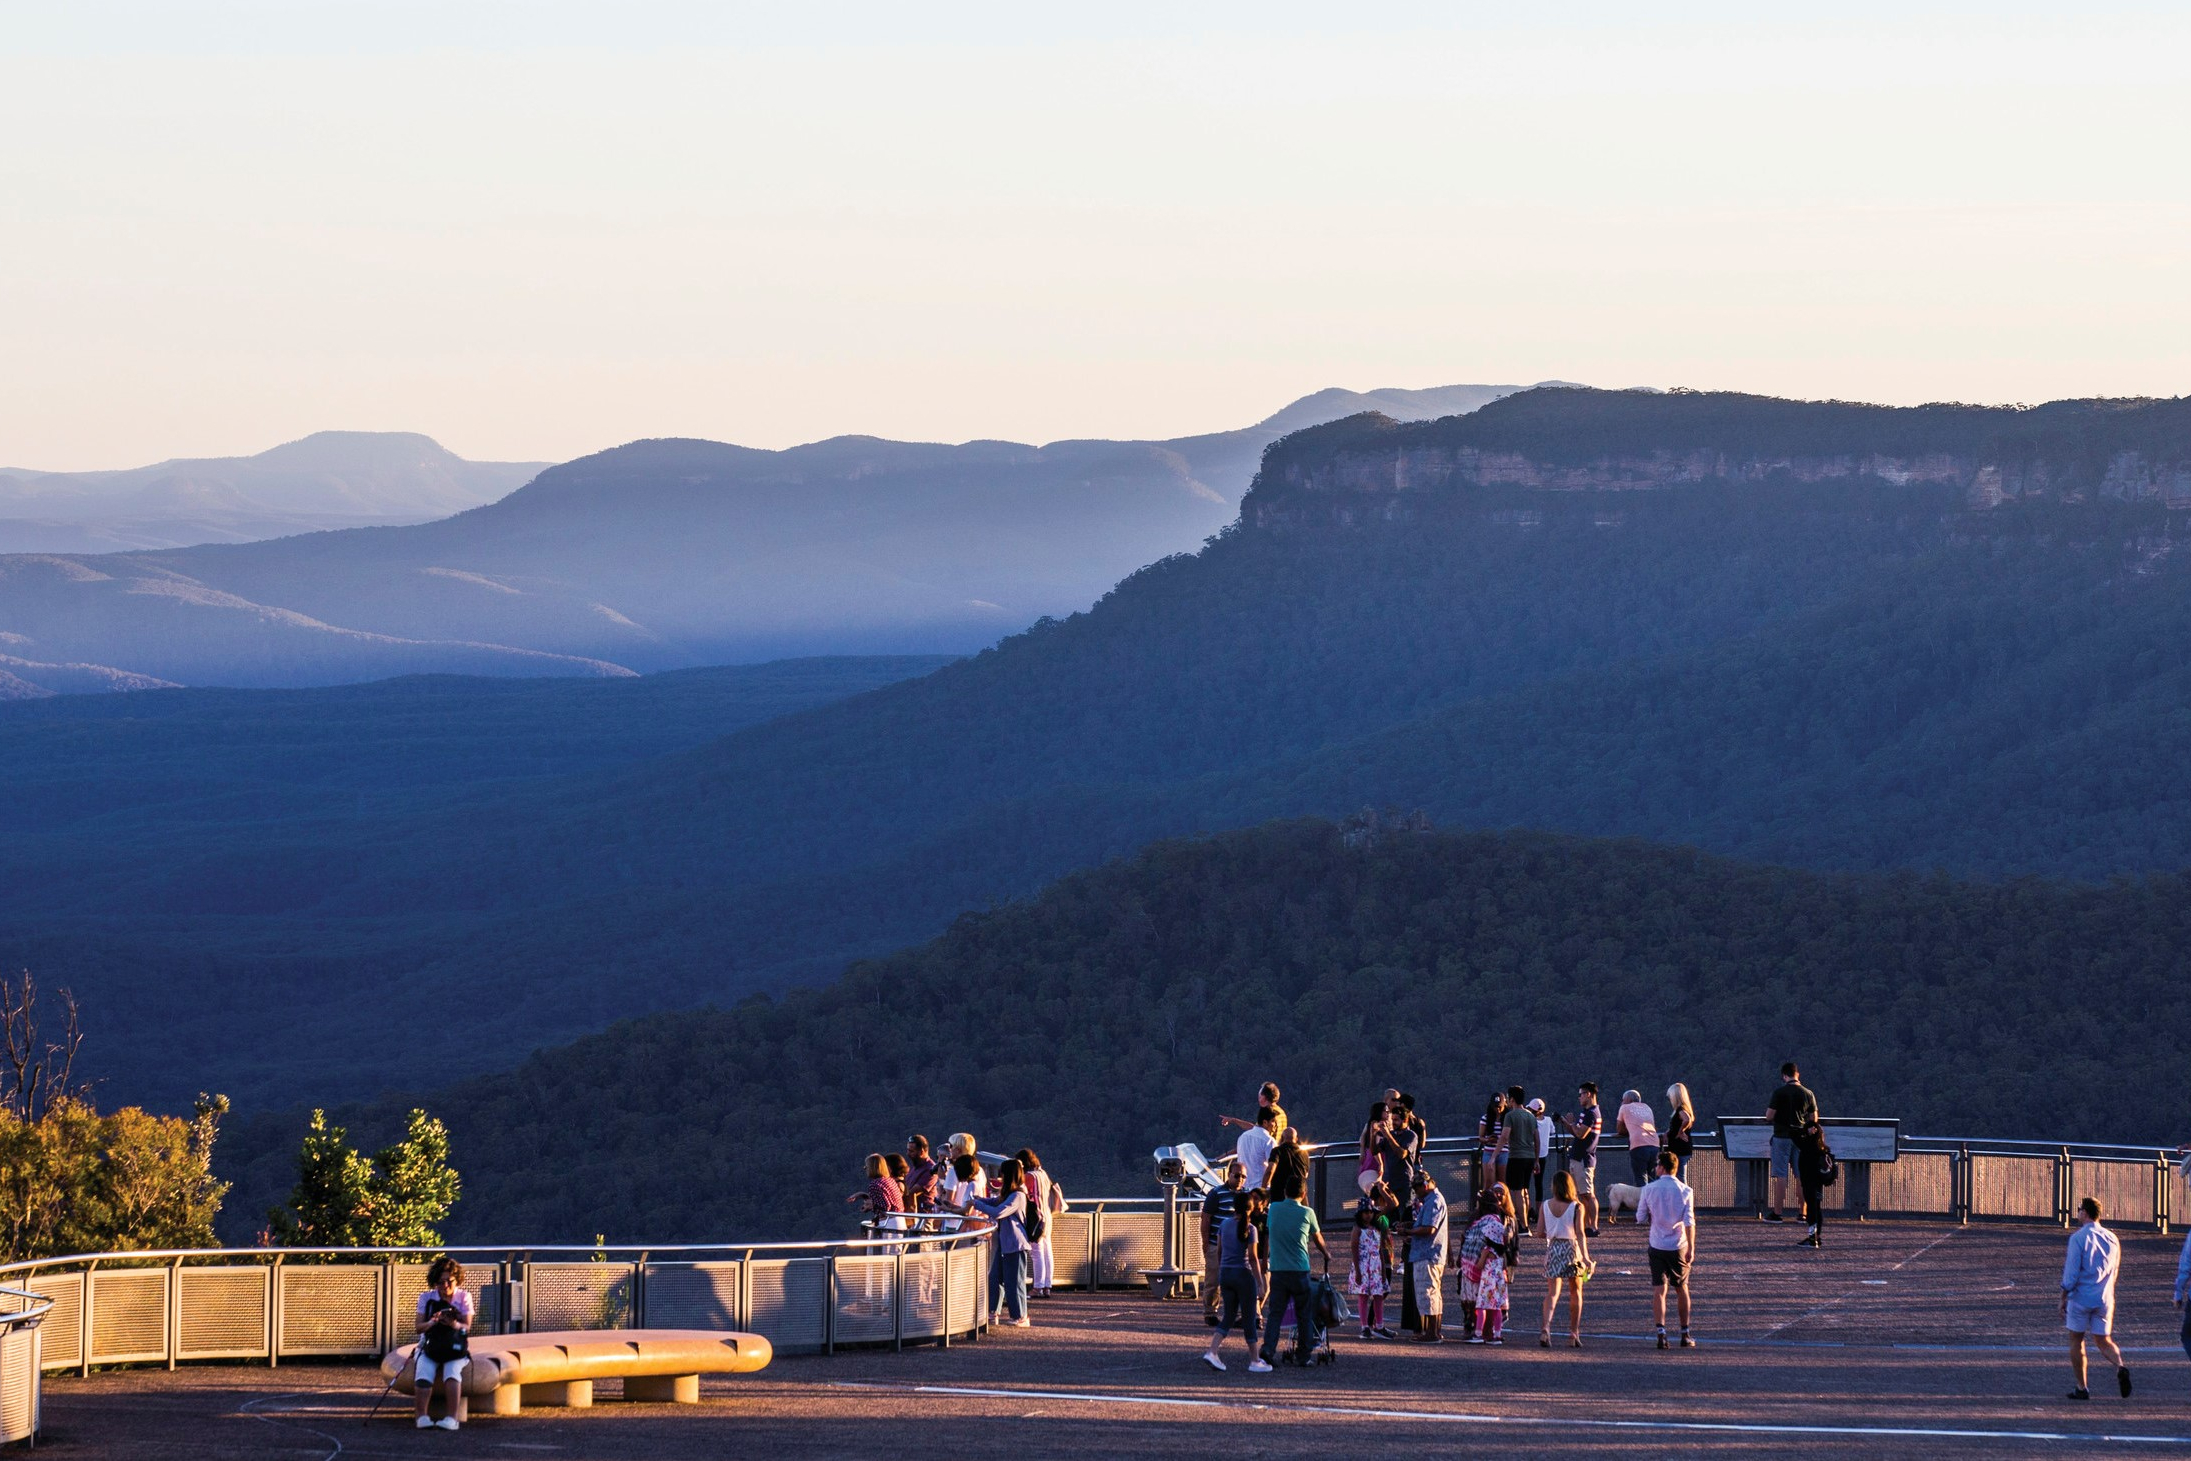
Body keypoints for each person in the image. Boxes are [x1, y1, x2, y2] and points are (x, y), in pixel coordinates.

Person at [1257, 1176, 1332, 1369]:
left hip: (1278, 1269)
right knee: (1304, 1313)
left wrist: (1265, 1260)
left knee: (1275, 1313)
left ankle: (1268, 1349)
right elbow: (1318, 1239)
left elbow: (1267, 1235)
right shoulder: (1308, 1213)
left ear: (1284, 1192)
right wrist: (1326, 1254)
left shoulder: (1273, 1209)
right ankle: (1303, 1354)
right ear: (1304, 1193)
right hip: (1299, 1269)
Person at [2063, 1196, 2131, 1401]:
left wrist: (2063, 1295)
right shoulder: (2112, 1238)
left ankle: (2081, 1387)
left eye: (2078, 1209)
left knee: (2076, 1340)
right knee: (2103, 1340)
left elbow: (2072, 1272)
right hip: (2104, 1297)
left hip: (2081, 1297)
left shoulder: (2078, 1238)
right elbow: (2115, 1269)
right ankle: (2120, 1366)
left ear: (2084, 1212)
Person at [958, 1155, 1032, 1327]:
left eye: (1003, 1174)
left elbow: (999, 1211)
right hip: (1004, 1243)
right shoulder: (1009, 1194)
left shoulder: (1018, 1196)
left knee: (1014, 1282)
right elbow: (994, 1202)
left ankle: (1020, 1316)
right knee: (995, 1278)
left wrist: (976, 1204)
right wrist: (977, 1199)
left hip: (1015, 1244)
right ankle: (993, 1311)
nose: (1001, 1178)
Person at [1635, 1149, 1696, 1349]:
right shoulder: (1686, 1191)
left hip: (1656, 1244)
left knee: (1659, 1291)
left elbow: (1640, 1217)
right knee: (1681, 1288)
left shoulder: (1649, 1189)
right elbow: (1689, 1222)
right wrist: (1691, 1248)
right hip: (1678, 1245)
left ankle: (1661, 1333)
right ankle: (1685, 1333)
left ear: (1662, 1167)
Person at [1205, 1188, 1270, 1371]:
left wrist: (1222, 1269)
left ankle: (1212, 1351)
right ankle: (1255, 1360)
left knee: (1228, 1316)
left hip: (1225, 1273)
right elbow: (1252, 1258)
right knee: (1249, 1319)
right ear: (1251, 1209)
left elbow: (1219, 1251)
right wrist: (1260, 1282)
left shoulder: (1224, 1225)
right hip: (1243, 1275)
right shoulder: (1251, 1229)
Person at [412, 1256, 472, 1431]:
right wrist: (433, 1322)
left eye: (449, 1281)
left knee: (452, 1371)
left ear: (456, 1279)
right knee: (424, 1370)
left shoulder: (464, 1297)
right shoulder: (426, 1298)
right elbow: (418, 1328)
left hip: (455, 1347)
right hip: (430, 1346)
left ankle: (452, 1418)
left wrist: (453, 1323)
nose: (445, 1286)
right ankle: (421, 1417)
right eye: (440, 1282)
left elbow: (466, 1327)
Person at [1539, 1170, 1593, 1348]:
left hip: (1553, 1247)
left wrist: (1554, 1229)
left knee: (1552, 1293)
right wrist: (1586, 1258)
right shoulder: (1577, 1206)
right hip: (1571, 1249)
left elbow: (1540, 1232)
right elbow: (1580, 1233)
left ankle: (1546, 1328)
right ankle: (1573, 1333)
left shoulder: (1545, 1205)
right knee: (1575, 1292)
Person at [1460, 1183, 1515, 1344]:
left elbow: (1474, 1251)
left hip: (1482, 1275)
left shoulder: (1481, 1223)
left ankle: (1480, 1332)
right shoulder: (1498, 1223)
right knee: (1496, 1306)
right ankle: (1493, 1333)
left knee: (1480, 1305)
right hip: (1497, 1277)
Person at [1763, 1062, 1818, 1222]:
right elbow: (1813, 1118)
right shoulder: (1808, 1093)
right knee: (1801, 1175)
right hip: (1800, 1138)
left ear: (1784, 1076)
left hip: (1782, 1137)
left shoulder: (1779, 1092)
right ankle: (1803, 1213)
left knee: (1781, 1175)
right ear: (1797, 1074)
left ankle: (1777, 1213)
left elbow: (1769, 1115)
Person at [1406, 1170, 1451, 1343]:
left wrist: (1409, 1231)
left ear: (1424, 1186)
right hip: (1433, 1254)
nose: (1416, 1194)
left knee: (1428, 1293)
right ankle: (1435, 1331)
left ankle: (1432, 1333)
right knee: (1434, 1293)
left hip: (1428, 1254)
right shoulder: (1433, 1200)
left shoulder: (1434, 1201)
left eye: (1416, 1190)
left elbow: (1429, 1229)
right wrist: (1411, 1226)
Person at [1202, 1161, 1247, 1326]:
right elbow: (1205, 1218)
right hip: (1215, 1243)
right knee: (1213, 1280)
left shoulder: (1247, 1195)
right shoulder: (1216, 1193)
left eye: (1243, 1176)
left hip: (1238, 1247)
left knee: (1238, 1281)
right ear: (1228, 1175)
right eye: (1237, 1175)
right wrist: (1206, 1243)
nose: (1240, 1179)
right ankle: (1210, 1312)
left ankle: (1238, 1314)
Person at [1017, 1148, 1065, 1297]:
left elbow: (1021, 1191)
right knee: (1046, 1250)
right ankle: (1047, 1285)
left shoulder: (1029, 1176)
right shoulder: (1043, 1174)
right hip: (1047, 1215)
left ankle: (1037, 1287)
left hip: (1035, 1217)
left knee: (1037, 1252)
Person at [1349, 1196, 1393, 1340]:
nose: (1368, 1215)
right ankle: (1364, 1326)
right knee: (1363, 1296)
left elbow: (1379, 1249)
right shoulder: (1357, 1230)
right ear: (1360, 1214)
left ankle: (1379, 1325)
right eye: (1365, 1212)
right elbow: (1354, 1250)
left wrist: (1383, 1271)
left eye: (1370, 1212)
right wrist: (1357, 1271)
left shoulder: (1376, 1229)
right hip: (1362, 1265)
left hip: (1376, 1266)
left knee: (1379, 1295)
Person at [1562, 1083, 1603, 1235]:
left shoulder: (1591, 1113)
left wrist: (1571, 1123)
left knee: (1587, 1194)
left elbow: (1580, 1134)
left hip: (1584, 1158)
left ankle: (1593, 1226)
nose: (1579, 1097)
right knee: (1581, 1194)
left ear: (1589, 1094)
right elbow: (1576, 1132)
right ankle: (1586, 1225)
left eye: (1581, 1094)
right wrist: (1566, 1123)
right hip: (1579, 1157)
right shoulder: (1586, 1112)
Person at [1502, 1087, 1540, 1235]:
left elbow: (1504, 1137)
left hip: (1516, 1157)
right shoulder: (1531, 1116)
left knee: (1516, 1192)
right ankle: (1525, 1222)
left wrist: (1494, 1156)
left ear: (1512, 1099)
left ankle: (1523, 1226)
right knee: (1524, 1191)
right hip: (1529, 1157)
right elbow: (1537, 1139)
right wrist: (1536, 1160)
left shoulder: (1510, 1116)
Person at [1794, 1119, 1831, 1249]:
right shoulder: (1822, 1149)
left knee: (1811, 1208)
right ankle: (1817, 1237)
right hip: (1819, 1183)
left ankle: (1811, 1239)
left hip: (1809, 1182)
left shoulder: (1807, 1145)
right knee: (1817, 1207)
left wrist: (1804, 1130)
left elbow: (1794, 1135)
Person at [846, 1152, 903, 1229]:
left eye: (866, 1167)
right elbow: (885, 1199)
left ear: (872, 1168)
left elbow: (885, 1207)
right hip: (899, 1221)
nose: (866, 1170)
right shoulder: (890, 1181)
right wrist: (862, 1194)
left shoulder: (875, 1184)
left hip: (888, 1224)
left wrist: (871, 1206)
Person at [1616, 1090, 1660, 1185]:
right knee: (1653, 1178)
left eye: (1623, 1100)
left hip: (1638, 1145)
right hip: (1655, 1144)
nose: (1622, 1102)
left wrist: (1631, 1131)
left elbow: (1619, 1129)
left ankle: (1644, 1200)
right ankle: (1654, 1199)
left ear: (1628, 1099)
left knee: (1641, 1178)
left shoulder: (1624, 1107)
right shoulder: (1647, 1107)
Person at [1220, 1082, 1288, 1139]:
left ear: (1264, 1098)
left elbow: (1255, 1130)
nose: (1258, 1099)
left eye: (1260, 1096)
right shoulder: (1282, 1113)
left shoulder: (1268, 1113)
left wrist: (1233, 1120)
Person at [1235, 1106, 1278, 1192]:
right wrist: (1264, 1190)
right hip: (1259, 1187)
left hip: (1243, 1187)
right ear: (1265, 1122)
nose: (1275, 1125)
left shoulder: (1242, 1137)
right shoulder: (1269, 1140)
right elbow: (1271, 1168)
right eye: (1273, 1121)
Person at [903, 1134, 944, 1216]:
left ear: (922, 1151)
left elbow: (913, 1192)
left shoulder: (931, 1170)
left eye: (911, 1151)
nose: (908, 1154)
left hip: (923, 1215)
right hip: (911, 1213)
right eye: (908, 1150)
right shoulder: (915, 1167)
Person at [1664, 1083, 1696, 1180]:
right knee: (1678, 1175)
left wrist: (1680, 1131)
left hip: (1680, 1148)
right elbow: (1675, 1125)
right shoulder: (1681, 1109)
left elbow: (1686, 1119)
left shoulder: (1680, 1109)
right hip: (1680, 1148)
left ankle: (1684, 1195)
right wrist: (1667, 1133)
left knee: (1680, 1176)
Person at [1479, 1092, 1510, 1189]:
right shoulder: (1485, 1118)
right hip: (1489, 1151)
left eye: (1499, 1107)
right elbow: (1480, 1137)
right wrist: (1488, 1139)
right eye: (1495, 1107)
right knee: (1489, 1183)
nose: (1497, 1109)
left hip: (1504, 1152)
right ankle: (1487, 1202)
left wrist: (1504, 1139)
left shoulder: (1508, 1118)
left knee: (1502, 1184)